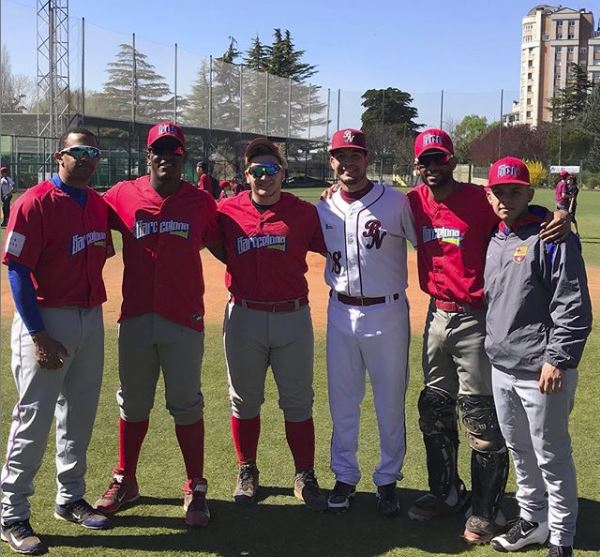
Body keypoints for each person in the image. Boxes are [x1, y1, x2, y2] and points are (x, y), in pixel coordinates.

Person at [406, 129, 570, 544]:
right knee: (434, 409)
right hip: (436, 315)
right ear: (417, 166)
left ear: (452, 160)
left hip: (476, 318)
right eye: (426, 161)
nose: (433, 167)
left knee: (480, 416)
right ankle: (446, 493)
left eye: (440, 159)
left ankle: (487, 509)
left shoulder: (481, 199)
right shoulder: (413, 201)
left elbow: (520, 209)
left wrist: (557, 215)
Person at [94, 121, 220, 528]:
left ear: (184, 156)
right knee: (132, 404)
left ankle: (195, 484)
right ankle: (126, 479)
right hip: (135, 316)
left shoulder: (201, 202)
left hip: (183, 316)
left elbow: (225, 237)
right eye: (159, 150)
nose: (167, 157)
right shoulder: (122, 195)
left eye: (174, 150)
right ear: (148, 155)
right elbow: (82, 210)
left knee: (186, 404)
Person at [1, 128, 112, 555]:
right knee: (33, 418)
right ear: (59, 156)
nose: (85, 158)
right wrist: (38, 333)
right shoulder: (33, 202)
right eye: (77, 151)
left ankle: (70, 497)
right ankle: (12, 513)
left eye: (92, 152)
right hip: (46, 320)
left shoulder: (97, 204)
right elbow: (17, 270)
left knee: (79, 416)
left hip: (90, 316)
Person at [483, 157, 592, 557]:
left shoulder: (552, 236)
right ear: (489, 195)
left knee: (551, 456)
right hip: (502, 365)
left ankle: (561, 538)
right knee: (520, 451)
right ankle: (532, 520)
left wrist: (558, 358)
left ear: (529, 193)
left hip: (541, 369)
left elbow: (572, 304)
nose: (506, 199)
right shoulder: (496, 236)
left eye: (515, 191)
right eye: (499, 192)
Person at [215, 137, 328, 511]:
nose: (264, 177)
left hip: (292, 317)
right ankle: (247, 469)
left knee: (298, 401)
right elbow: (215, 243)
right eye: (256, 171)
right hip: (244, 316)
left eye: (271, 170)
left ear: (283, 173)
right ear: (246, 175)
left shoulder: (304, 212)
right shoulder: (227, 211)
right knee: (244, 399)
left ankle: (304, 474)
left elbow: (332, 244)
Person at [317, 128, 416, 517]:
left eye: (355, 155)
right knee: (342, 399)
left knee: (389, 399)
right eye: (340, 156)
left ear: (367, 159)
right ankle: (345, 476)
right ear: (332, 162)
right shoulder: (324, 206)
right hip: (340, 311)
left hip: (387, 311)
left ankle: (388, 479)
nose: (348, 162)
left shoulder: (395, 202)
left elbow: (428, 238)